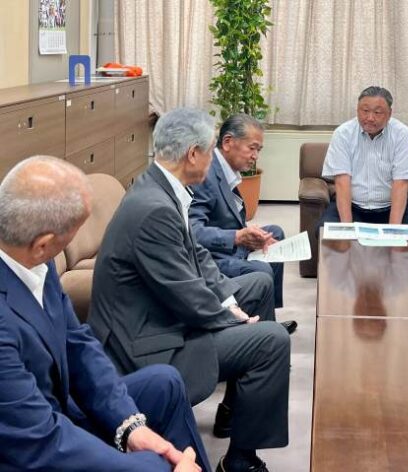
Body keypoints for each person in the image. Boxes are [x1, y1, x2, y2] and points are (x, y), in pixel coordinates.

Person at [89, 108, 290, 472]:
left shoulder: (162, 188)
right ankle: (241, 460)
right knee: (271, 341)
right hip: (146, 343)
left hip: (162, 318)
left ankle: (238, 417)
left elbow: (197, 257)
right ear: (193, 154)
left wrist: (229, 301)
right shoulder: (154, 209)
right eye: (211, 150)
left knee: (256, 292)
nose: (214, 160)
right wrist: (232, 320)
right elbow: (185, 293)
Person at [0, 156, 207, 471]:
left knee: (164, 383)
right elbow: (39, 441)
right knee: (154, 465)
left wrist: (131, 426)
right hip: (28, 446)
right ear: (43, 245)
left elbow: (78, 344)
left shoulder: (32, 258)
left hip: (60, 411)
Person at [189, 114, 292, 329]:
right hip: (213, 256)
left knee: (275, 233)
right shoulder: (206, 174)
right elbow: (193, 232)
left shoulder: (225, 169)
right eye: (252, 148)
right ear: (228, 142)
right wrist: (237, 237)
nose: (255, 156)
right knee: (261, 271)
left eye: (259, 150)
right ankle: (262, 330)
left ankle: (268, 316)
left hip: (230, 245)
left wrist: (248, 234)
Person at [318, 85, 408, 227]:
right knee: (326, 232)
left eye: (377, 112)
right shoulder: (343, 134)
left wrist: (393, 231)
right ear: (357, 110)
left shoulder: (402, 135)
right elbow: (342, 182)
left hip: (390, 207)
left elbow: (401, 184)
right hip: (352, 206)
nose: (370, 118)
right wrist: (347, 229)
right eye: (365, 111)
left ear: (389, 113)